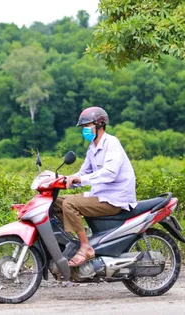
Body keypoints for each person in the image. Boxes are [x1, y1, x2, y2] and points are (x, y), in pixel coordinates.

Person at [54, 106, 137, 267]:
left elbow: (109, 173)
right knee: (56, 202)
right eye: (83, 127)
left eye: (87, 126)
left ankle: (86, 247)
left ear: (99, 124)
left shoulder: (111, 143)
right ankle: (75, 242)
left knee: (69, 204)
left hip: (114, 198)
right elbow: (83, 172)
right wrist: (62, 180)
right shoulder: (92, 148)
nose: (85, 130)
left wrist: (80, 179)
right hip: (99, 195)